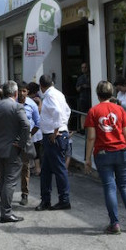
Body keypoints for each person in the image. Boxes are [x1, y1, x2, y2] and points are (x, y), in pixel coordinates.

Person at [84, 81, 126, 235]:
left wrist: (87, 158)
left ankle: (115, 224)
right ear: (112, 94)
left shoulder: (93, 111)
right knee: (125, 186)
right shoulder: (120, 110)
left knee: (110, 187)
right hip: (122, 152)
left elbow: (91, 138)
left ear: (97, 94)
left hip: (103, 153)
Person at [0, 80, 31, 223]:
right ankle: (6, 213)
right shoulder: (17, 107)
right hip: (12, 150)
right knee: (9, 181)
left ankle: (5, 210)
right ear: (15, 93)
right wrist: (21, 143)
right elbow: (26, 126)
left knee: (3, 179)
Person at [35, 74, 72, 211]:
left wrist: (57, 129)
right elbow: (67, 111)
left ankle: (64, 199)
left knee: (59, 169)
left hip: (53, 136)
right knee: (46, 170)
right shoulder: (58, 94)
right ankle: (46, 199)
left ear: (41, 86)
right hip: (53, 135)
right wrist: (63, 125)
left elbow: (57, 112)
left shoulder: (50, 96)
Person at [17, 81, 40, 206]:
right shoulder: (12, 103)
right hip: (12, 139)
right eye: (19, 91)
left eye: (24, 91)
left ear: (27, 92)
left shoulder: (32, 105)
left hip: (25, 140)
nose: (21, 93)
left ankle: (24, 194)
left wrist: (30, 134)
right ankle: (6, 195)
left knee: (25, 167)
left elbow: (37, 123)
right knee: (10, 167)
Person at [27, 82, 43, 175]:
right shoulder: (36, 100)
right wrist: (40, 103)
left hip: (29, 126)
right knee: (36, 148)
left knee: (29, 148)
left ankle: (31, 167)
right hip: (35, 127)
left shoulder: (25, 100)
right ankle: (37, 168)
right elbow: (39, 112)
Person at [75, 62, 91, 128]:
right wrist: (82, 87)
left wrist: (88, 86)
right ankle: (83, 129)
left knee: (90, 113)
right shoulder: (80, 78)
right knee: (82, 114)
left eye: (85, 67)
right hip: (83, 98)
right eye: (82, 68)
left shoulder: (91, 76)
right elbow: (77, 89)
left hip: (90, 97)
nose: (84, 69)